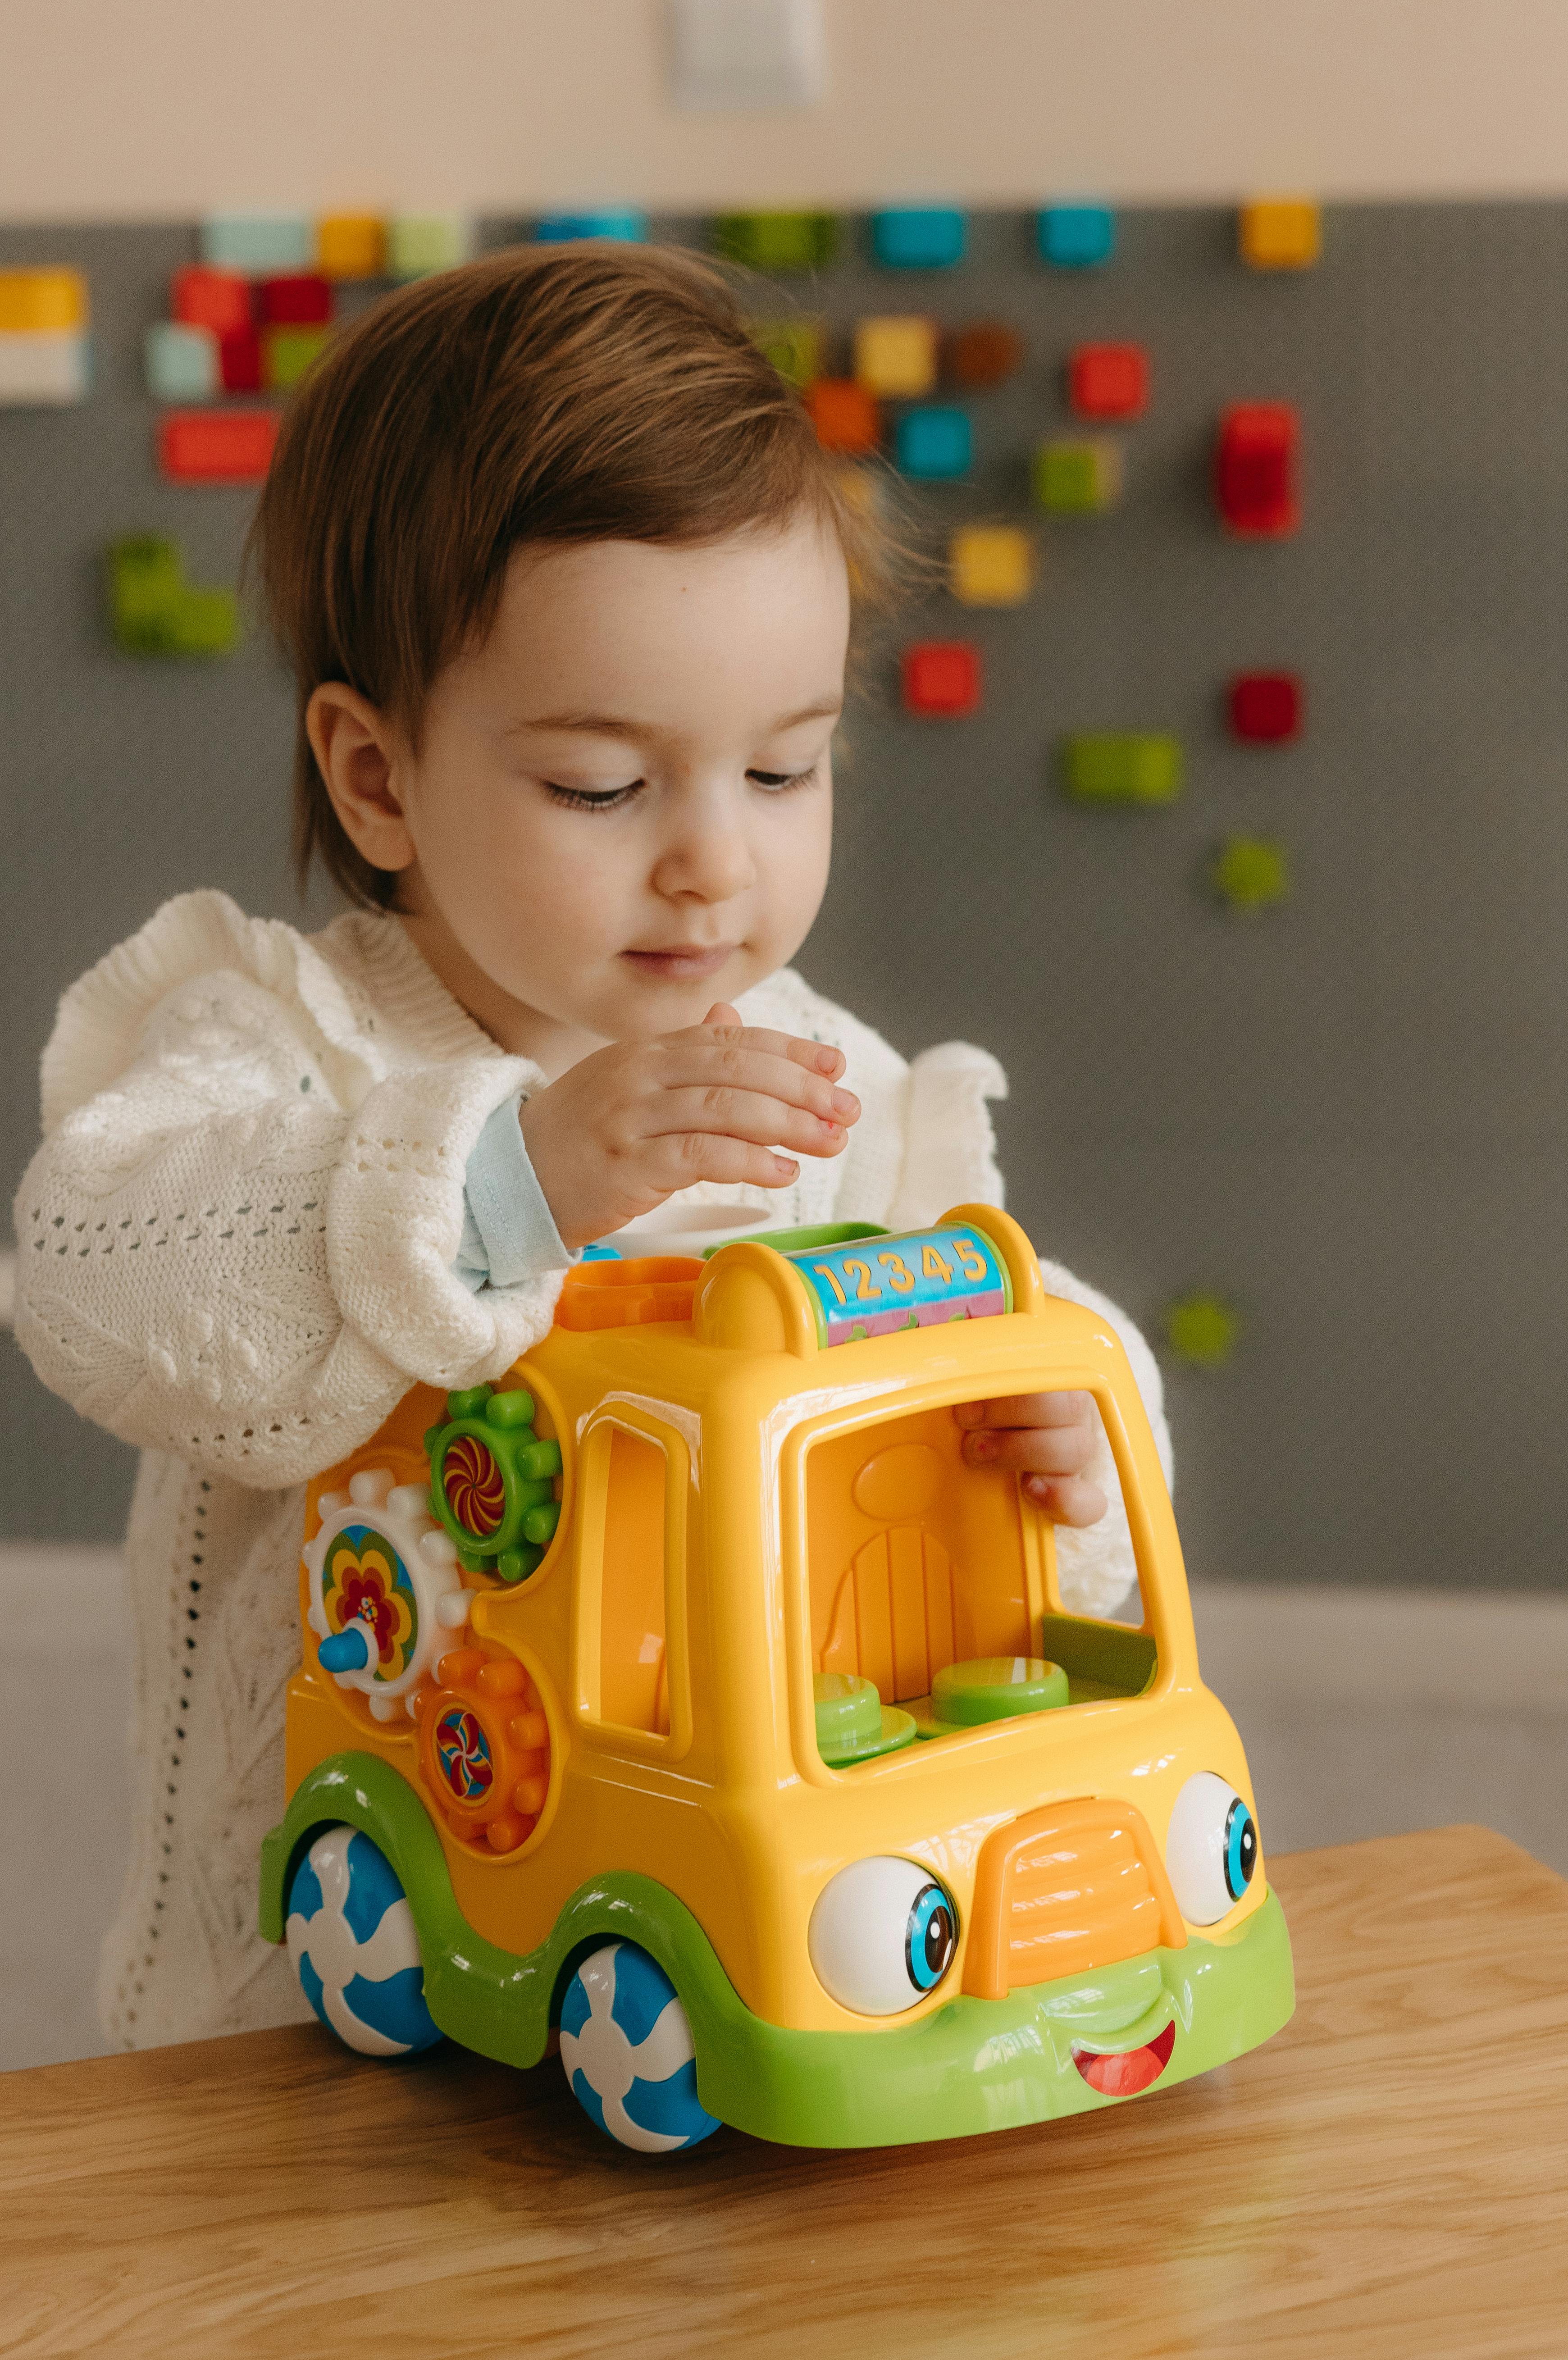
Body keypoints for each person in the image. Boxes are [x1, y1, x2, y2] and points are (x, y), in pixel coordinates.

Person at [12, 242, 1171, 2055]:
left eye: (782, 769)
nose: (713, 859)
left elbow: (984, 1314)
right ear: (377, 777)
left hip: (716, 1947)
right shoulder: (287, 1040)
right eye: (604, 787)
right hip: (320, 1981)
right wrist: (503, 1186)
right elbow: (93, 1281)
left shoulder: (814, 1086)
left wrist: (1052, 1428)